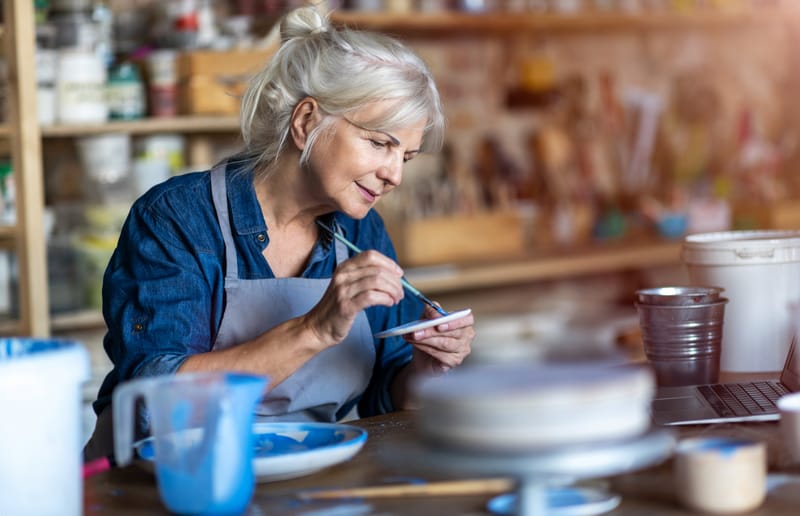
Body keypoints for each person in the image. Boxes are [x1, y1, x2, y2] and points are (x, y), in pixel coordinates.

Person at [83, 5, 475, 462]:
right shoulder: (178, 218)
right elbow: (154, 403)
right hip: (162, 482)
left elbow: (384, 397)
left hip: (297, 477)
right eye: (379, 143)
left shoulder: (360, 228)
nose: (394, 176)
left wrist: (426, 369)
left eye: (404, 157)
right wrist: (314, 328)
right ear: (307, 122)